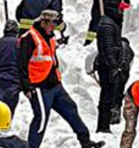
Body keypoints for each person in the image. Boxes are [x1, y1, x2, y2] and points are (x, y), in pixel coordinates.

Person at [18, 10, 105, 148]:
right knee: (41, 119)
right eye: (52, 23)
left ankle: (86, 143)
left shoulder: (49, 36)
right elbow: (21, 64)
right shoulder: (29, 38)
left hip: (55, 85)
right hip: (39, 87)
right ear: (43, 22)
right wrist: (26, 87)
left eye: (55, 23)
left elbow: (49, 51)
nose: (54, 27)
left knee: (71, 109)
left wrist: (61, 42)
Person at [95, 0, 128, 134]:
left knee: (109, 96)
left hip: (110, 66)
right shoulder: (107, 25)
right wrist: (114, 68)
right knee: (107, 97)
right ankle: (103, 126)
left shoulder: (111, 23)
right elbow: (108, 48)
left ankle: (105, 124)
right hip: (107, 67)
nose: (122, 12)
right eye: (120, 9)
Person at [0, 21, 23, 115]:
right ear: (17, 32)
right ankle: (2, 125)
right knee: (8, 108)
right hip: (13, 80)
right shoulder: (21, 44)